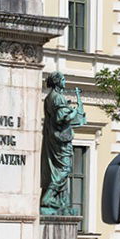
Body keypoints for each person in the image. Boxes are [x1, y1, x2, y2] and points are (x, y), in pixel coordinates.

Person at [39, 70, 86, 215]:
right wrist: (74, 111)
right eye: (63, 79)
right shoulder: (57, 98)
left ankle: (61, 202)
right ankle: (47, 198)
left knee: (56, 169)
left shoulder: (50, 98)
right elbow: (62, 118)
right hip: (60, 140)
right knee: (64, 169)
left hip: (55, 138)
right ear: (57, 81)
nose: (65, 82)